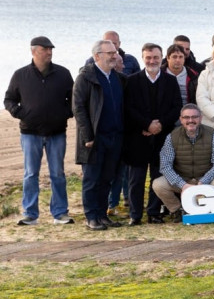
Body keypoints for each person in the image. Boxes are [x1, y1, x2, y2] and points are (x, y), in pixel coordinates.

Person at [6, 35, 74, 225]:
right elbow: (9, 99)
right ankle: (30, 214)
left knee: (58, 173)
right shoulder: (20, 75)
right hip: (30, 133)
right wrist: (21, 113)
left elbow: (74, 100)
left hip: (57, 133)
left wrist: (64, 114)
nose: (49, 52)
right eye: (45, 49)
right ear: (34, 51)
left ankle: (60, 213)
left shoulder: (63, 74)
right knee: (30, 174)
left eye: (51, 49)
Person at [121, 43, 182, 225]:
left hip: (162, 137)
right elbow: (128, 108)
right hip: (138, 137)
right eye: (148, 57)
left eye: (155, 57)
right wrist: (147, 125)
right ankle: (135, 214)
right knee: (136, 179)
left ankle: (154, 212)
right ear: (143, 58)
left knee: (158, 177)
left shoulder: (170, 81)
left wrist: (160, 125)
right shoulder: (132, 81)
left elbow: (176, 107)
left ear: (161, 58)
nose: (152, 61)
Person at [75, 39, 127, 230]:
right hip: (94, 139)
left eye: (115, 52)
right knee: (91, 180)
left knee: (107, 179)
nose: (114, 56)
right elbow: (78, 108)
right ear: (97, 56)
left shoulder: (118, 78)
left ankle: (102, 215)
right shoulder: (85, 78)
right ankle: (91, 217)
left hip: (115, 137)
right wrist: (88, 137)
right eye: (110, 53)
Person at [151, 103, 214, 222]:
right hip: (183, 179)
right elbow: (165, 166)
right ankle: (177, 210)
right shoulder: (172, 137)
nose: (190, 120)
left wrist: (203, 182)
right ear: (181, 119)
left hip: (206, 178)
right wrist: (183, 185)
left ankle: (209, 208)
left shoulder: (212, 134)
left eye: (194, 117)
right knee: (158, 184)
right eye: (186, 117)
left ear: (200, 118)